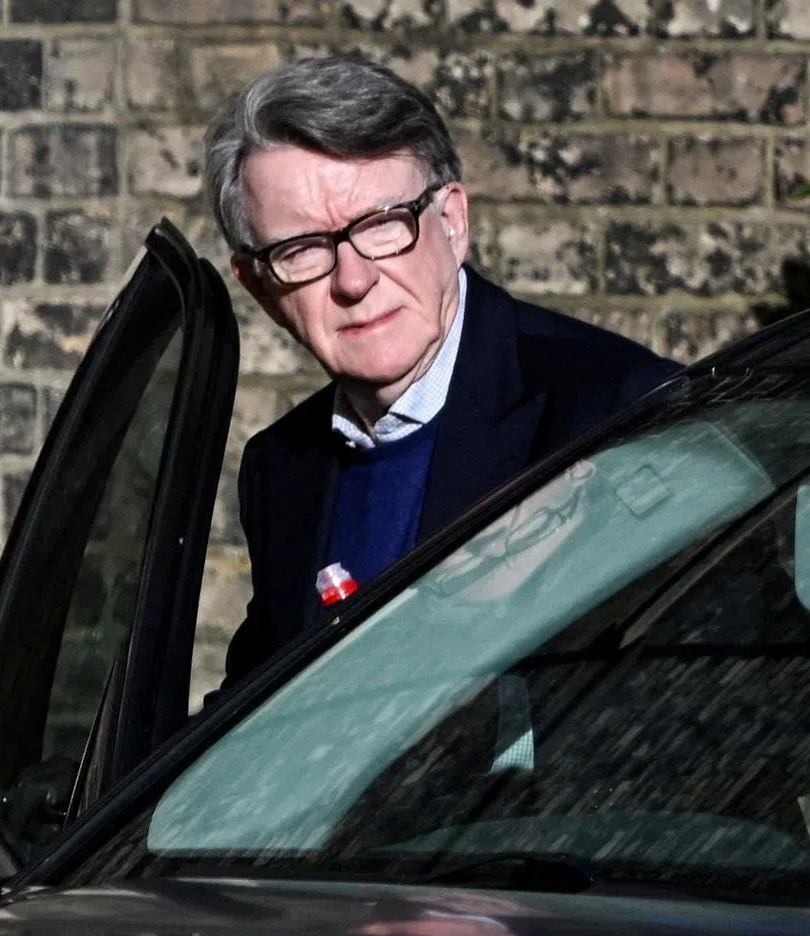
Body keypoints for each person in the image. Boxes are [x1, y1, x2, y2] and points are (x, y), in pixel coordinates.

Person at [203, 55, 678, 687]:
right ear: (260, 286)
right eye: (303, 250)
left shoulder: (617, 410)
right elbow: (256, 727)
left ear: (452, 222)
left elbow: (733, 716)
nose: (354, 279)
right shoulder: (282, 469)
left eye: (381, 226)